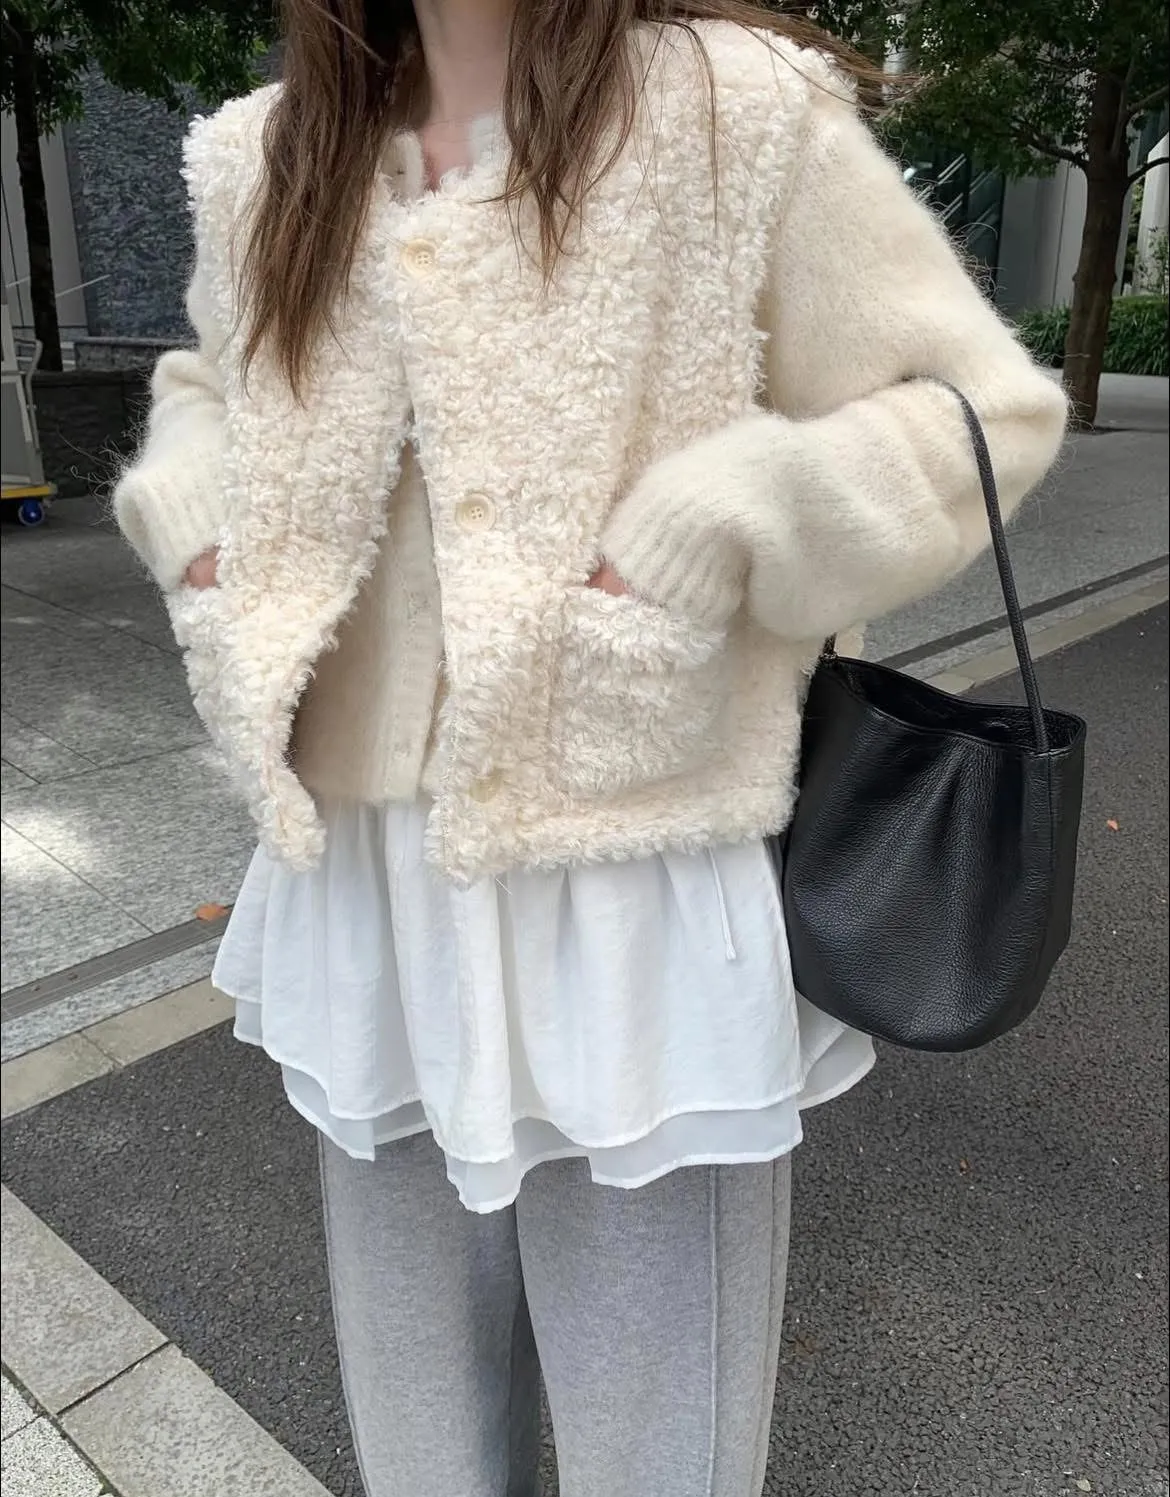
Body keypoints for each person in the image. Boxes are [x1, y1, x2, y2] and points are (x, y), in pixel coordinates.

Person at [114, 1, 1067, 1492]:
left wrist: (733, 514)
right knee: (419, 1441)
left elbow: (980, 413)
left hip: (636, 882)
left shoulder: (728, 114)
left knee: (658, 1452)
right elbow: (209, 380)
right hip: (363, 891)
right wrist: (190, 516)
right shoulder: (271, 152)